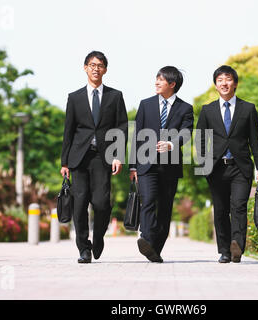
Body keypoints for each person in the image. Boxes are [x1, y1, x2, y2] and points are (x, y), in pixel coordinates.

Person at [60, 51, 128, 263]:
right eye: (92, 65)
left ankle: (98, 237)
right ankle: (84, 248)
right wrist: (64, 162)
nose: (95, 68)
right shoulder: (75, 97)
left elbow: (122, 127)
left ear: (105, 70)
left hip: (103, 158)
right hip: (79, 158)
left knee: (101, 203)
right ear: (85, 68)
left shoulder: (115, 96)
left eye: (100, 65)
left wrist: (118, 155)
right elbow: (68, 131)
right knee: (79, 204)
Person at [196, 65, 258, 263]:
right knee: (220, 210)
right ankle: (224, 251)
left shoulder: (248, 108)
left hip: (240, 167)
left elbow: (255, 139)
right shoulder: (207, 110)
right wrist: (203, 164)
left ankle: (237, 245)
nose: (224, 83)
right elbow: (200, 139)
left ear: (234, 83)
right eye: (220, 80)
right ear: (215, 85)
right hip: (216, 168)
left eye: (228, 79)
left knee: (239, 206)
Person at [130, 66, 194, 263]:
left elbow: (186, 132)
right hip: (146, 164)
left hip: (170, 165)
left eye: (161, 80)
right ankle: (147, 239)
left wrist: (171, 144)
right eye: (156, 79)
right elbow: (137, 135)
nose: (156, 82)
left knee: (165, 208)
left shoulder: (185, 108)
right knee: (148, 200)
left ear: (172, 84)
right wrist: (133, 166)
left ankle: (155, 249)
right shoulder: (145, 104)